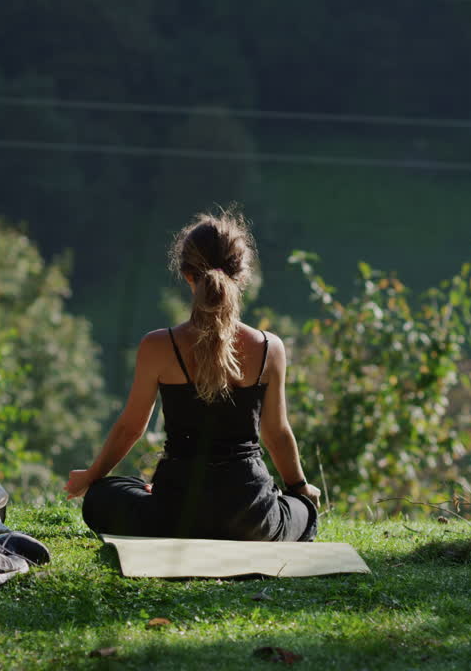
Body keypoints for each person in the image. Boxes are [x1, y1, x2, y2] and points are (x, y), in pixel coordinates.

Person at [64, 210, 322, 542]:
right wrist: (300, 490)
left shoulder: (157, 346)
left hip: (175, 514)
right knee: (301, 508)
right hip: (250, 518)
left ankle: (148, 493)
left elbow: (132, 426)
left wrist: (91, 476)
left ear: (187, 276)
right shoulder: (270, 348)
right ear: (242, 275)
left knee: (104, 493)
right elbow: (276, 434)